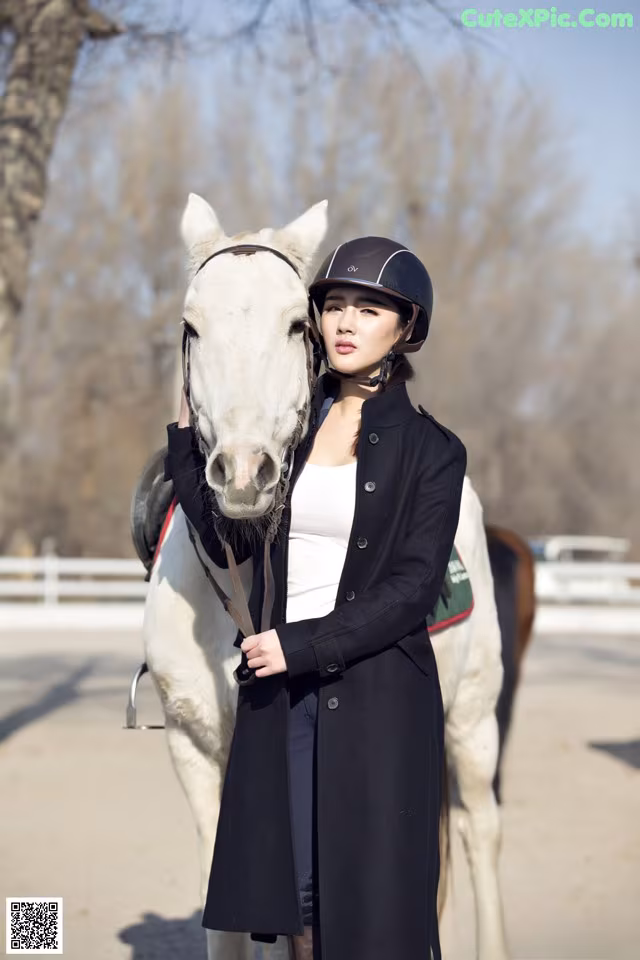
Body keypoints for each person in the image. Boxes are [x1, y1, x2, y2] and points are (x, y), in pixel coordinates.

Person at [164, 236, 467, 960]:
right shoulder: (289, 437)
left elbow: (411, 590)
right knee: (293, 901)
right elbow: (234, 542)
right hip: (281, 697)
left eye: (369, 309)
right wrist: (183, 445)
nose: (345, 322)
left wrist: (298, 644)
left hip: (379, 698)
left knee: (368, 917)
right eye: (334, 305)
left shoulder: (435, 451)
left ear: (405, 329)